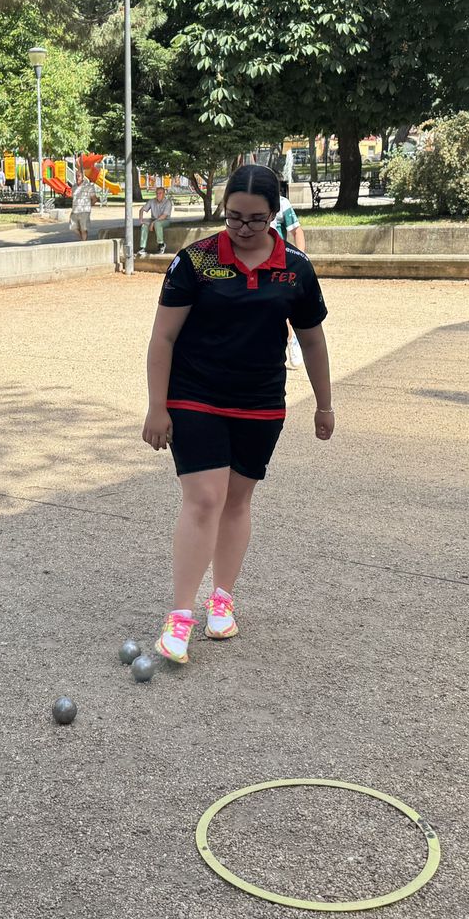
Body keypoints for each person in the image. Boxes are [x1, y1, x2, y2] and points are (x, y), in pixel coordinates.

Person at [142, 164, 332, 667]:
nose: (243, 228)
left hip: (260, 401)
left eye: (256, 219)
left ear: (275, 215)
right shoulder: (195, 261)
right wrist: (157, 406)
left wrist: (324, 404)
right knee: (205, 498)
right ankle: (180, 617)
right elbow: (163, 338)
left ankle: (222, 600)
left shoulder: (296, 268)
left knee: (237, 501)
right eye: (233, 217)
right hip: (195, 395)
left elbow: (313, 341)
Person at [272, 193, 306, 369]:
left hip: (279, 263)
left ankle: (292, 340)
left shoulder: (282, 203)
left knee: (282, 306)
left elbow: (296, 231)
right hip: (253, 262)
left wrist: (300, 260)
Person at [138, 186, 173, 255]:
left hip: (165, 220)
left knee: (157, 224)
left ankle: (161, 244)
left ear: (164, 194)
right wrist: (141, 220)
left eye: (160, 193)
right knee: (144, 225)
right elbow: (141, 210)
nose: (158, 195)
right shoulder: (152, 201)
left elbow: (164, 216)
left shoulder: (168, 202)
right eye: (157, 193)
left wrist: (153, 223)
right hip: (153, 219)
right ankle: (142, 248)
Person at [71, 173, 97, 241]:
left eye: (79, 176)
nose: (77, 177)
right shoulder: (74, 187)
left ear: (83, 177)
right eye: (76, 176)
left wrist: (88, 206)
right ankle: (83, 240)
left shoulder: (88, 186)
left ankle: (83, 241)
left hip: (84, 211)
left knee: (83, 229)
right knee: (73, 227)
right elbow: (74, 198)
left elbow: (94, 199)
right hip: (75, 210)